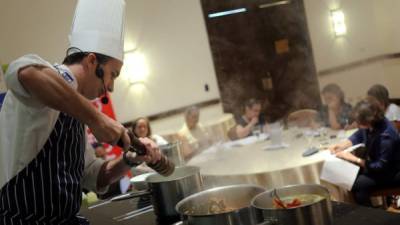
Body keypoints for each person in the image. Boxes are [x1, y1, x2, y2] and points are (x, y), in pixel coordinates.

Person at [0, 0, 162, 224]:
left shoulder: (76, 110)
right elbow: (25, 72)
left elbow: (93, 175)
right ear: (92, 61)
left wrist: (129, 160)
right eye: (112, 74)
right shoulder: (46, 80)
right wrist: (97, 119)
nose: (112, 86)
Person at [329, 99, 400, 206]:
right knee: (354, 183)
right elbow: (360, 134)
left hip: (391, 173)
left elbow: (380, 166)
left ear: (368, 120)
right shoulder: (374, 123)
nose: (356, 124)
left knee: (355, 184)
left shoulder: (386, 135)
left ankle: (369, 216)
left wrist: (354, 158)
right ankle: (370, 213)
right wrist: (343, 144)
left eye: (358, 122)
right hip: (379, 168)